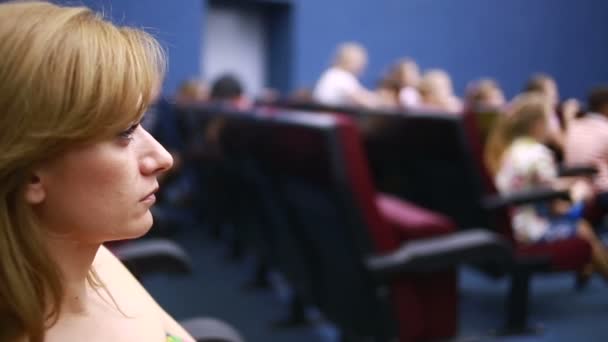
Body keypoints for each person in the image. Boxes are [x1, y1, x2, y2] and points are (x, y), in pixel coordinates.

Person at [0, 2, 194, 341]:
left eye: (142, 123)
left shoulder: (90, 261)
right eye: (125, 133)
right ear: (31, 172)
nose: (162, 158)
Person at [485, 94, 608, 280]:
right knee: (583, 230)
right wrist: (579, 193)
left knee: (581, 227)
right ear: (538, 125)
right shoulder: (539, 154)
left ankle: (588, 265)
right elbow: (557, 203)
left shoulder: (510, 149)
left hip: (508, 222)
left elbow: (539, 186)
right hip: (526, 230)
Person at [313, 42, 378, 107]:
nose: (363, 67)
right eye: (360, 63)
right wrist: (383, 100)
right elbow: (364, 101)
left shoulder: (332, 73)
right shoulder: (341, 76)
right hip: (326, 116)